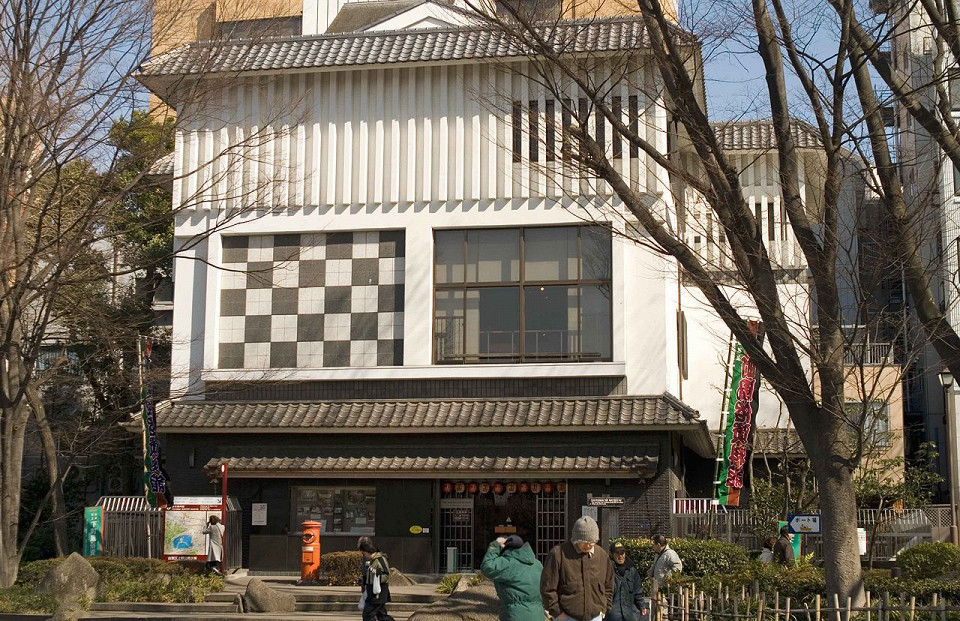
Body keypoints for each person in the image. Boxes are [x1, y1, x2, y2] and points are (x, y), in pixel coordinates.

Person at [540, 515, 613, 621]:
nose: (589, 545)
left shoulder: (602, 555)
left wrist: (604, 608)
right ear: (576, 540)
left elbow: (609, 585)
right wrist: (557, 613)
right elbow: (547, 587)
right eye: (585, 542)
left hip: (596, 616)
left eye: (592, 542)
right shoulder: (558, 554)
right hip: (566, 617)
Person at [480, 534, 544, 621]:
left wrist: (495, 545)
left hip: (515, 615)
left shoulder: (507, 563)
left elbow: (487, 566)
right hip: (538, 615)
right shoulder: (537, 564)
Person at [358, 536, 395, 621]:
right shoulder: (373, 560)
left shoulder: (380, 559)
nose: (364, 555)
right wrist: (364, 579)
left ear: (368, 551)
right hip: (373, 592)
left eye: (364, 553)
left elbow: (386, 574)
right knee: (382, 616)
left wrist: (376, 574)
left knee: (368, 614)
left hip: (377, 593)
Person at [607, 542, 645, 621]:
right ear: (611, 555)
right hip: (612, 616)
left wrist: (641, 606)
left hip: (630, 615)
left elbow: (638, 591)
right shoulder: (607, 570)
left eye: (622, 553)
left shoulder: (632, 570)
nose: (620, 556)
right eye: (617, 553)